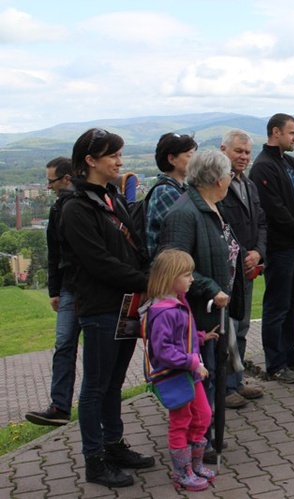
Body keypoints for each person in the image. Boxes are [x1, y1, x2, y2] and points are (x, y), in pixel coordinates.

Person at [59, 128, 154, 488]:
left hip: (127, 305)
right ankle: (94, 460)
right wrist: (145, 281)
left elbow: (134, 245)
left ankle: (114, 445)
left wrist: (147, 273)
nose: (119, 161)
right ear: (90, 160)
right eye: (112, 155)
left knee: (114, 381)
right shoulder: (75, 207)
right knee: (96, 386)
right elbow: (98, 263)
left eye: (119, 154)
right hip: (100, 308)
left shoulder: (110, 197)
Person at [159, 150, 246, 458]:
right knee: (203, 378)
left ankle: (204, 436)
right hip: (199, 312)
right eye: (228, 176)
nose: (230, 181)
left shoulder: (210, 206)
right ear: (217, 179)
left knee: (212, 375)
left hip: (214, 310)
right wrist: (210, 289)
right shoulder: (185, 213)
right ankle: (200, 441)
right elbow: (174, 263)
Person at [249, 113, 294, 384]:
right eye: (291, 133)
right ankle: (275, 363)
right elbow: (274, 210)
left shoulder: (289, 164)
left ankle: (289, 354)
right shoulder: (263, 167)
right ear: (276, 132)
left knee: (292, 304)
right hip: (281, 247)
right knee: (277, 305)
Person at [144, 249, 218, 491]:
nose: (192, 279)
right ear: (169, 277)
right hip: (175, 376)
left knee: (203, 415)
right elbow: (163, 350)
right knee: (181, 421)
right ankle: (181, 471)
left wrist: (200, 337)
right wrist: (193, 362)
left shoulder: (178, 303)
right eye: (186, 274)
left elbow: (180, 337)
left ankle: (194, 463)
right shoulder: (163, 311)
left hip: (188, 373)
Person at [25, 157, 80, 427]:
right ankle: (60, 407)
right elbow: (54, 252)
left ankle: (100, 404)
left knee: (96, 352)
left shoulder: (86, 203)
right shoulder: (58, 208)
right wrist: (55, 290)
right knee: (64, 346)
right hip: (69, 288)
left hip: (93, 291)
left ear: (67, 178)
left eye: (52, 181)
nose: (48, 187)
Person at [219, 129, 267, 406]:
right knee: (227, 329)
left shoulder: (248, 185)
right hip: (228, 269)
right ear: (223, 150)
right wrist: (242, 256)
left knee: (242, 326)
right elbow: (223, 227)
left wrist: (258, 252)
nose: (244, 157)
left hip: (248, 267)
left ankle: (237, 379)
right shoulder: (218, 184)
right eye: (239, 151)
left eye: (247, 152)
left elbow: (260, 222)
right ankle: (225, 389)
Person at [145, 133, 197, 259]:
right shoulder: (166, 193)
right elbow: (188, 231)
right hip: (171, 269)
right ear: (171, 159)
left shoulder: (181, 188)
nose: (194, 161)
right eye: (189, 156)